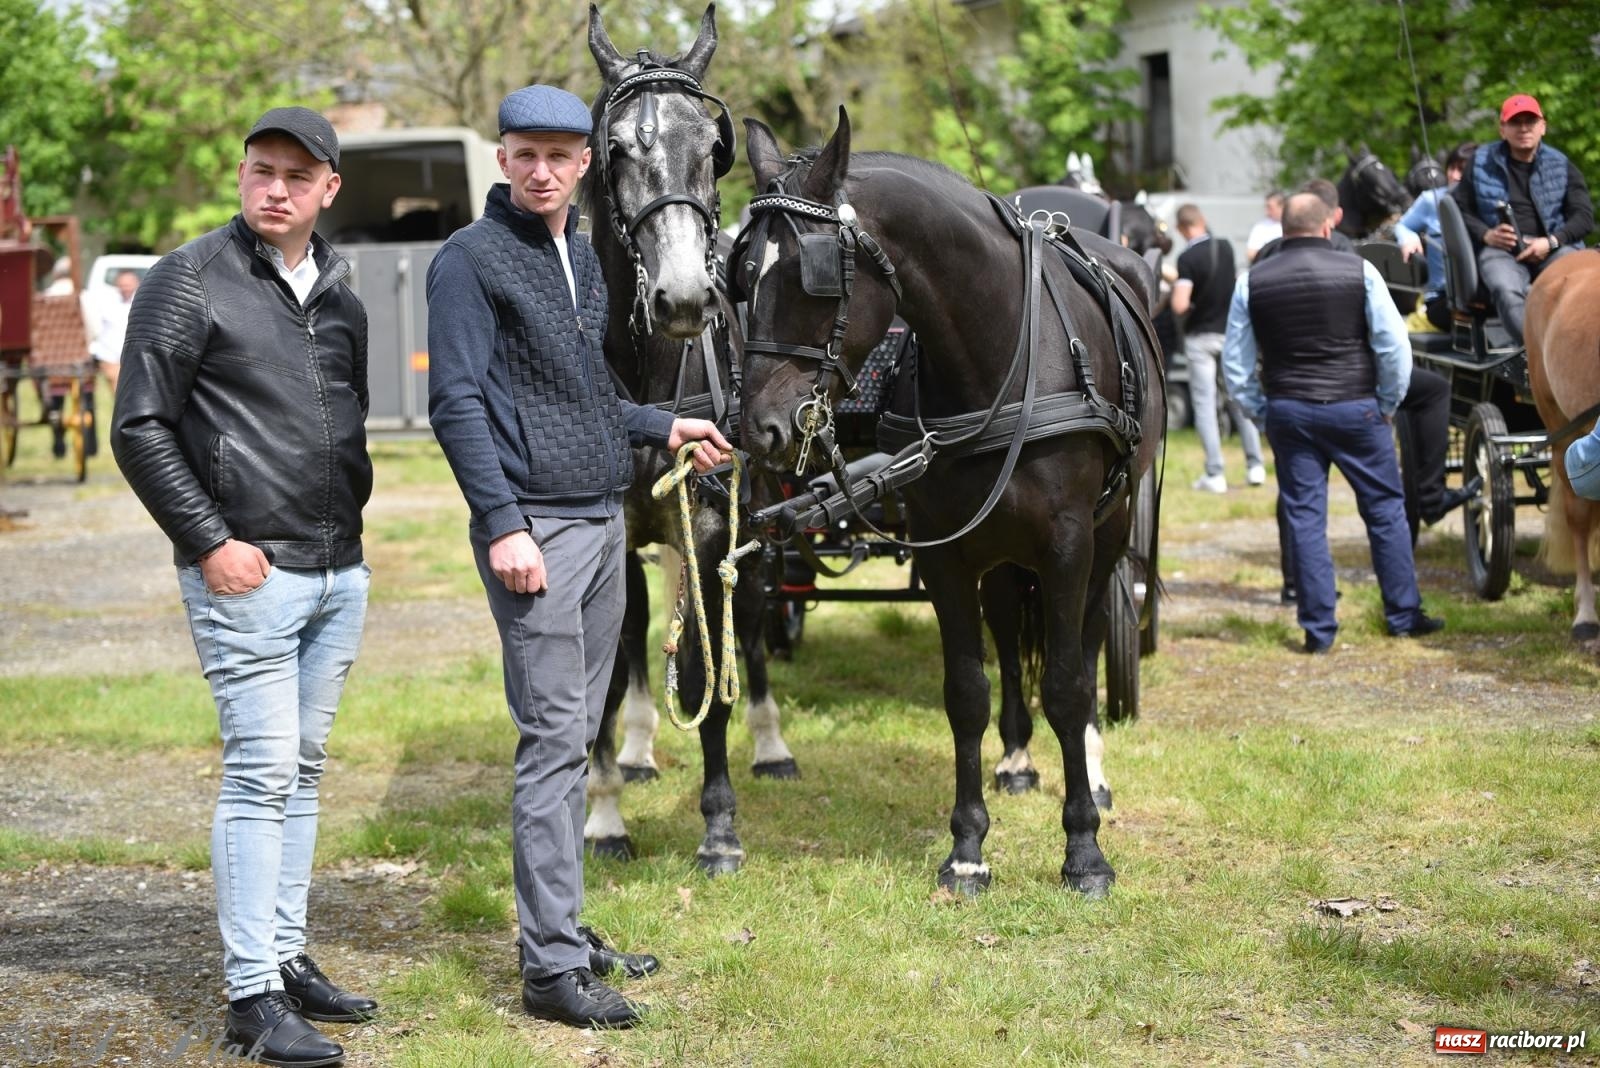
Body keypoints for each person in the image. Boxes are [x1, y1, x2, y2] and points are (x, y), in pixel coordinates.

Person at [426, 84, 733, 1031]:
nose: (543, 169)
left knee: (574, 731)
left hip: (604, 522)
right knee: (554, 743)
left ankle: (560, 929)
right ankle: (551, 971)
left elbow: (586, 398)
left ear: (586, 165)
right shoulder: (470, 263)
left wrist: (663, 421)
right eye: (526, 153)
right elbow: (459, 405)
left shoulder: (582, 264)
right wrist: (503, 523)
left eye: (561, 155)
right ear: (503, 157)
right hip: (541, 534)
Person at [111, 106, 377, 1067]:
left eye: (297, 177)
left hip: (337, 573)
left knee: (302, 772)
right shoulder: (188, 280)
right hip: (247, 576)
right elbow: (139, 427)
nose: (276, 189)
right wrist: (210, 541)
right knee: (261, 771)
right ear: (241, 173)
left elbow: (342, 420)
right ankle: (250, 997)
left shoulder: (342, 291)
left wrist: (351, 548)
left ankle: (289, 955)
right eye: (261, 170)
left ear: (328, 190)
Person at [1222, 192, 1444, 653]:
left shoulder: (1252, 281)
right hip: (1357, 406)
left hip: (1289, 408)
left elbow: (1236, 367)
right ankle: (1403, 616)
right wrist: (1387, 402)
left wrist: (1261, 410)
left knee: (1304, 518)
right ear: (1328, 227)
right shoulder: (1361, 271)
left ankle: (1319, 631)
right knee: (1385, 511)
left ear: (1283, 230)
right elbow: (1393, 348)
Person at [1449, 93, 1592, 345]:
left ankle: (1578, 345)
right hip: (1501, 251)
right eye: (1516, 122)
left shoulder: (1561, 164)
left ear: (1543, 126)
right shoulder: (1480, 162)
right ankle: (1533, 353)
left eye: (1530, 121)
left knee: (1583, 283)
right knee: (1505, 288)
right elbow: (1460, 208)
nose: (1524, 128)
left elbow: (1583, 217)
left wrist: (1551, 242)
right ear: (1503, 129)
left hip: (1553, 249)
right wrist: (1486, 234)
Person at [1171, 203, 1265, 492]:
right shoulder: (1225, 248)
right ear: (1203, 221)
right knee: (1238, 397)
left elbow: (1180, 304)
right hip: (1230, 335)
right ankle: (1256, 466)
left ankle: (1215, 472)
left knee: (1205, 405)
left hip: (1201, 339)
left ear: (1181, 228)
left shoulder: (1186, 258)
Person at [1395, 142, 1476, 332]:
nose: (1455, 176)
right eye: (1452, 168)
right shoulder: (1431, 200)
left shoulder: (1488, 201)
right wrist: (1408, 237)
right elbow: (1402, 226)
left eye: (1462, 170)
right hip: (1444, 298)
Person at [90, 268, 139, 392]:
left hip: (135, 355)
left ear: (136, 284)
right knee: (119, 390)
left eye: (128, 285)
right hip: (111, 355)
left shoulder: (142, 303)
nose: (125, 288)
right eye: (122, 285)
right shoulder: (107, 303)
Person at [1244, 190, 1284, 263]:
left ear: (1282, 206)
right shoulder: (1260, 227)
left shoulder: (1291, 225)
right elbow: (1250, 254)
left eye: (1270, 207)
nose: (1266, 211)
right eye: (1266, 207)